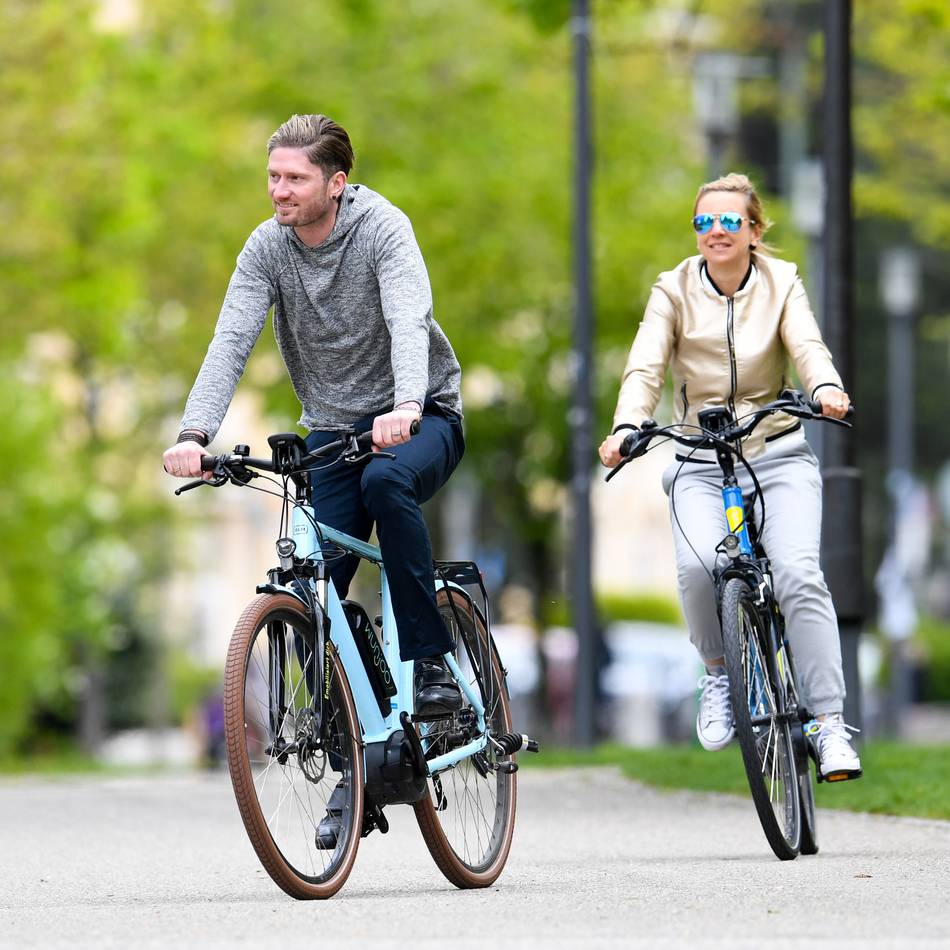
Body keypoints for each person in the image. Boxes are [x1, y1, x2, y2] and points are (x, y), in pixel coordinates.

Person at [162, 113, 466, 722]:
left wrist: (406, 404)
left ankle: (431, 663)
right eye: (273, 176)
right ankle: (360, 752)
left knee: (387, 481)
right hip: (332, 430)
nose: (279, 190)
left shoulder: (382, 228)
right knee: (311, 585)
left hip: (422, 414)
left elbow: (409, 319)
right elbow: (230, 341)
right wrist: (195, 432)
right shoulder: (266, 248)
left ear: (335, 182)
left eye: (295, 178)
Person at [598, 173, 861, 782]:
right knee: (698, 568)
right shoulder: (672, 290)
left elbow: (807, 343)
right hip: (697, 455)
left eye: (728, 222)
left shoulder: (783, 282)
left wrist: (824, 387)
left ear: (753, 230)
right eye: (703, 222)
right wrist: (627, 425)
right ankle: (719, 674)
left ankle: (828, 724)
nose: (715, 232)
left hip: (777, 452)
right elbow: (645, 367)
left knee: (798, 573)